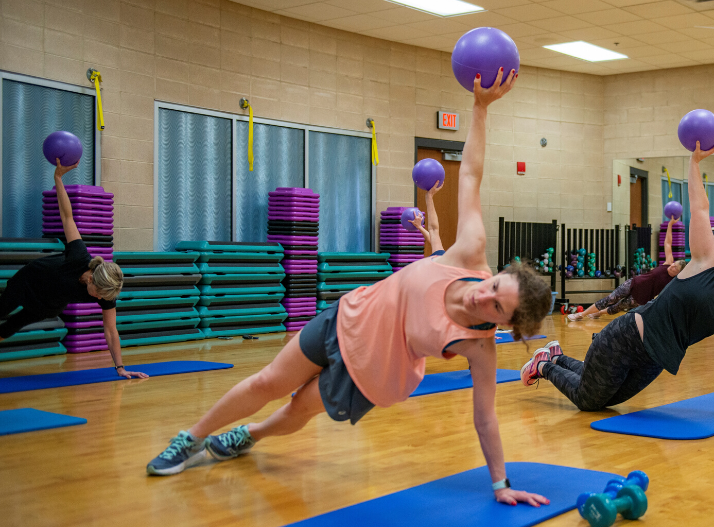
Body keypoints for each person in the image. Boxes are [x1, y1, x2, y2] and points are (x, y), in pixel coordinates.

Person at [147, 69, 552, 507]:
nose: (482, 297)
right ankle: (189, 439)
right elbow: (470, 175)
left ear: (505, 324)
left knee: (297, 410)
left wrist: (499, 484)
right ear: (496, 273)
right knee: (267, 381)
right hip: (346, 318)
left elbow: (486, 418)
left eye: (495, 308)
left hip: (375, 373)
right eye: (494, 286)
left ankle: (250, 434)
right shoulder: (470, 252)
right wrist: (479, 107)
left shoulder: (480, 348)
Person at [520, 141, 714, 412]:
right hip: (626, 337)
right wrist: (694, 162)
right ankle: (545, 366)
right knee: (589, 401)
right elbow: (700, 209)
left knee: (603, 398)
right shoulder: (707, 262)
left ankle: (557, 357)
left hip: (653, 362)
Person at [0, 161, 145, 379]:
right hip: (28, 282)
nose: (100, 299)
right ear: (91, 280)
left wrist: (120, 368)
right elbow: (67, 217)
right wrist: (58, 178)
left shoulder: (106, 292)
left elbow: (110, 330)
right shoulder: (79, 256)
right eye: (99, 294)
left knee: (11, 326)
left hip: (48, 304)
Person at [567, 220, 686, 321]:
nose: (672, 266)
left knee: (616, 308)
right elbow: (668, 244)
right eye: (673, 264)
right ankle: (581, 314)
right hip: (634, 283)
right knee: (610, 299)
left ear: (678, 272)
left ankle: (599, 313)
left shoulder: (674, 281)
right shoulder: (668, 262)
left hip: (640, 298)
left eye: (675, 268)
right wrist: (670, 225)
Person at [409, 181, 445, 257]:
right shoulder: (442, 259)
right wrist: (419, 227)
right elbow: (433, 233)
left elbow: (433, 230)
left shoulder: (441, 260)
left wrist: (429, 197)